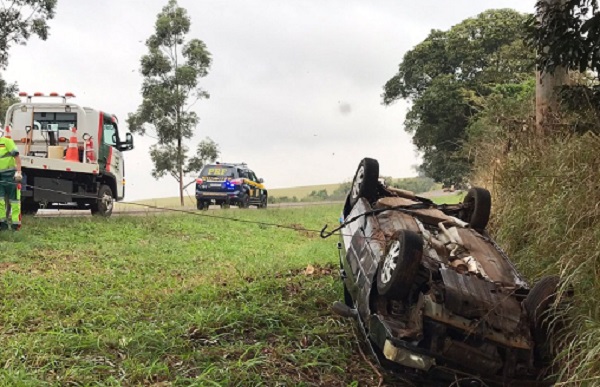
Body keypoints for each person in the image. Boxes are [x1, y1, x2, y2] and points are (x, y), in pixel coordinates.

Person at [0, 134, 22, 230]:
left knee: (14, 201)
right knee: (0, 201)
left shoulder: (7, 141)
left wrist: (18, 172)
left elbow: (17, 158)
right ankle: (2, 224)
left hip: (11, 176)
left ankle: (15, 225)